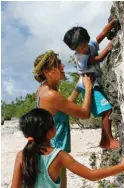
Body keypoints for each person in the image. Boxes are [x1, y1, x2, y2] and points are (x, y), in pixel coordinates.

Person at [11, 108, 124, 188]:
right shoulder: (58, 156)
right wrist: (123, 167)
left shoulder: (21, 155)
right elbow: (91, 175)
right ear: (50, 132)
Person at [33, 50, 94, 188]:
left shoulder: (43, 90)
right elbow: (84, 114)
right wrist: (88, 88)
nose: (63, 67)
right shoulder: (51, 95)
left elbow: (63, 107)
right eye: (58, 64)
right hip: (54, 150)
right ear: (48, 71)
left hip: (46, 149)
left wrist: (78, 89)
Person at [63, 19, 120, 150]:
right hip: (89, 87)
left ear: (87, 40)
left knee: (107, 111)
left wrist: (112, 23)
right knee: (107, 110)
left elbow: (103, 33)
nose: (81, 49)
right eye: (77, 48)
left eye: (82, 45)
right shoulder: (80, 57)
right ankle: (109, 140)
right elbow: (99, 58)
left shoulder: (91, 45)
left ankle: (104, 141)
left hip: (94, 85)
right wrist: (112, 43)